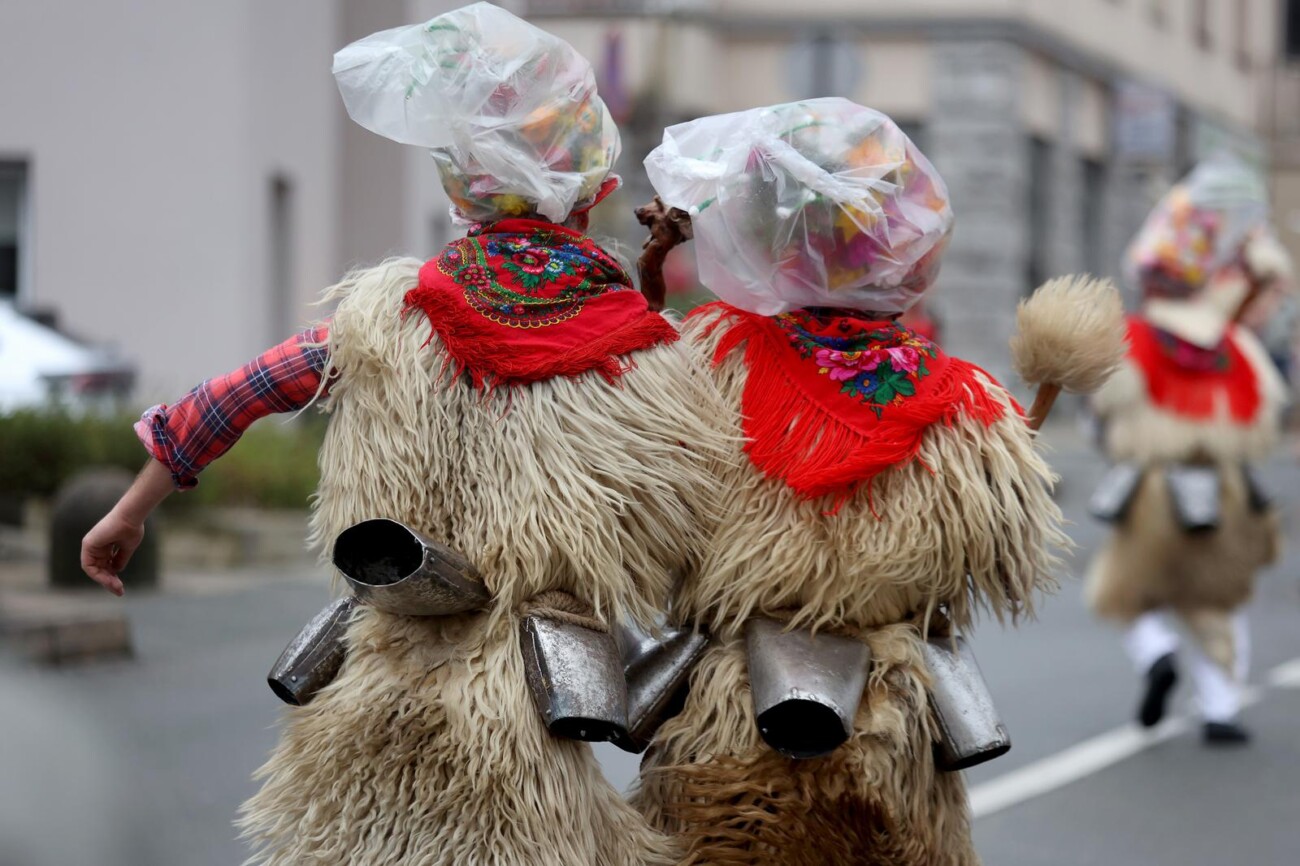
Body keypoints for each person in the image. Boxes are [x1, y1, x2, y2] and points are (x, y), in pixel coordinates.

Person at [81, 4, 724, 863]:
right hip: (526, 718)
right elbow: (702, 515)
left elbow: (234, 397)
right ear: (595, 188)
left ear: (457, 183)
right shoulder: (647, 355)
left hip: (374, 693)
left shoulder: (381, 319)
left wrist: (128, 511)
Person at [628, 98, 1125, 865]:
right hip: (889, 729)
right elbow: (984, 568)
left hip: (723, 727)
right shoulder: (969, 408)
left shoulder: (708, 361)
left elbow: (645, 507)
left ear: (767, 235)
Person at [1085, 155, 1291, 745]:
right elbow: (1265, 416)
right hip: (1223, 486)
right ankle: (1221, 707)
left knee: (1132, 591)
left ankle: (1156, 653)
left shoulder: (1139, 337)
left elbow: (1108, 402)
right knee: (1219, 600)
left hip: (1151, 485)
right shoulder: (1233, 345)